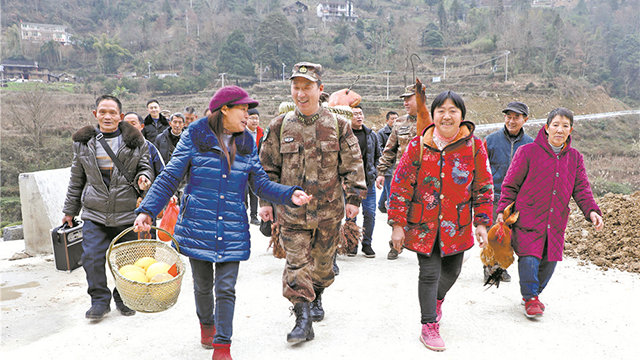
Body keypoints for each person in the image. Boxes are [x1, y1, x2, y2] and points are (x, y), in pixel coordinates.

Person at [133, 85, 312, 360]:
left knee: (226, 288)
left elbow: (260, 183)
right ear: (224, 110)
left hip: (231, 226)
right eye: (242, 109)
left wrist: (289, 194)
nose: (248, 114)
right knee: (203, 286)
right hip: (197, 225)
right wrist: (147, 210)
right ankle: (207, 324)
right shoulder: (195, 135)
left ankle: (222, 345)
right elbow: (170, 176)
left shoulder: (247, 141)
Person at [259, 62, 367, 344]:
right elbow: (266, 169)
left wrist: (354, 198)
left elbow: (353, 163)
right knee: (296, 264)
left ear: (320, 90)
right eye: (296, 87)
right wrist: (267, 201)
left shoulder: (339, 125)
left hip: (329, 212)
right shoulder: (279, 126)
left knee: (322, 265)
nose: (301, 93)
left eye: (307, 87)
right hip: (292, 214)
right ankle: (302, 318)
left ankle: (317, 292)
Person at [388, 90, 493, 352]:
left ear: (462, 116)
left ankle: (435, 301)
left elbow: (483, 186)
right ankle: (428, 325)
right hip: (423, 225)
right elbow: (401, 186)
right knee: (429, 272)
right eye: (441, 111)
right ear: (433, 115)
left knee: (452, 272)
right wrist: (398, 225)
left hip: (456, 225)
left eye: (453, 111)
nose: (447, 116)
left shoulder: (474, 147)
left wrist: (482, 222)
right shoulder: (418, 145)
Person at [497, 107, 604, 319]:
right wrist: (502, 211)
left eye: (565, 126)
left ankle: (533, 293)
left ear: (570, 130)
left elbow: (581, 188)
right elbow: (510, 185)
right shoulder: (527, 152)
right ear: (546, 128)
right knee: (529, 259)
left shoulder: (575, 158)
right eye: (555, 125)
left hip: (555, 222)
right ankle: (530, 298)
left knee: (549, 263)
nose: (559, 130)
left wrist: (592, 211)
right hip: (527, 217)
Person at [62, 95, 153, 321]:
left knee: (126, 261)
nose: (107, 116)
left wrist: (143, 178)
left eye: (112, 112)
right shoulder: (83, 143)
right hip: (95, 212)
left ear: (120, 116)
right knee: (91, 257)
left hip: (126, 211)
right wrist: (69, 210)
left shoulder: (136, 141)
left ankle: (123, 297)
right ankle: (100, 301)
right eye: (102, 112)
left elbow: (146, 167)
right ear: (95, 115)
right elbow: (76, 178)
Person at [482, 101, 534, 283]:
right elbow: (481, 168)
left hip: (517, 199)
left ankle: (502, 267)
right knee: (492, 234)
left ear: (525, 120)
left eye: (516, 117)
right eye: (508, 116)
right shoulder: (490, 140)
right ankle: (489, 267)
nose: (511, 121)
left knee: (509, 236)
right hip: (494, 195)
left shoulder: (530, 145)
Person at [376, 85, 419, 260]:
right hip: (402, 177)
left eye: (409, 98)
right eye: (404, 99)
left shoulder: (432, 121)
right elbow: (389, 150)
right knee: (397, 209)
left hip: (426, 177)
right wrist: (381, 172)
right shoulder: (399, 123)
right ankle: (395, 245)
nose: (406, 102)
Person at [348, 105, 380, 258]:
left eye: (361, 113)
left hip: (368, 182)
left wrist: (377, 173)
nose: (359, 116)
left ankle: (367, 244)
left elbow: (377, 157)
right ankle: (351, 243)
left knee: (370, 213)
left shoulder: (371, 135)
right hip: (352, 183)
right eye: (355, 114)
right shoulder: (345, 135)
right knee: (351, 214)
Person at [124, 111, 165, 178]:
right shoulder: (115, 146)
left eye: (133, 123)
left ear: (142, 126)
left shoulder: (150, 148)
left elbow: (162, 174)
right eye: (126, 124)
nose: (129, 127)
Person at [376, 110, 399, 213]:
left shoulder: (401, 131)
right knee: (390, 190)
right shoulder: (381, 133)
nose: (394, 121)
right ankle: (390, 210)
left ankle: (381, 206)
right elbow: (380, 149)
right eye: (392, 119)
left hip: (398, 166)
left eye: (396, 118)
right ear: (387, 120)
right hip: (388, 166)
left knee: (388, 189)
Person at [245, 108, 264, 225]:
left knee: (254, 192)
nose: (255, 121)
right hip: (243, 167)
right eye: (252, 118)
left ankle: (253, 215)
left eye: (257, 118)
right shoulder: (241, 132)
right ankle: (243, 213)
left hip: (255, 167)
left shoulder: (261, 133)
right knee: (243, 190)